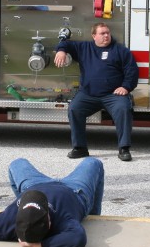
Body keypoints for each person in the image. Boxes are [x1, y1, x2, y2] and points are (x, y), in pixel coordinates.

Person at [54, 23, 139, 161]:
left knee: (123, 109)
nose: (106, 36)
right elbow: (66, 44)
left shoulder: (120, 50)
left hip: (113, 95)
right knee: (74, 109)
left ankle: (124, 148)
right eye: (102, 33)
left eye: (108, 33)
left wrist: (126, 87)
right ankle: (80, 148)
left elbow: (132, 72)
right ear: (94, 36)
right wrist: (61, 51)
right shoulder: (84, 48)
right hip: (88, 94)